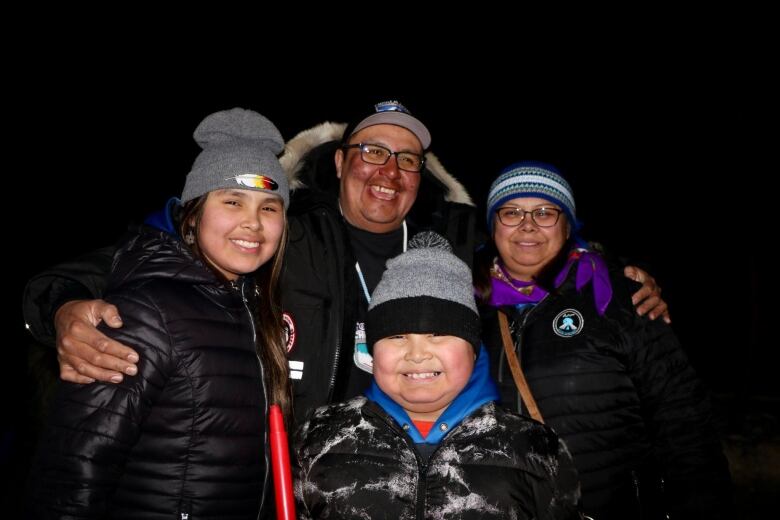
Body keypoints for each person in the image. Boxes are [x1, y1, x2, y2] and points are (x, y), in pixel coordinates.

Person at [22, 101, 667, 425]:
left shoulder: (448, 244)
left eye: (407, 159)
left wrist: (606, 267)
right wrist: (61, 307)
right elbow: (160, 246)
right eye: (372, 152)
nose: (389, 171)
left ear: (422, 178)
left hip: (399, 478)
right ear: (339, 162)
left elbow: (533, 248)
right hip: (281, 482)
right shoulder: (284, 232)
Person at [28, 108, 291, 519]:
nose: (252, 223)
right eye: (233, 201)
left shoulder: (255, 308)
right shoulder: (144, 312)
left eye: (269, 207)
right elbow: (75, 470)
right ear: (193, 212)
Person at [474, 161, 734, 520]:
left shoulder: (617, 297)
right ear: (493, 226)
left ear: (568, 226)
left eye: (546, 212)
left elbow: (684, 422)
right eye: (511, 212)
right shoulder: (465, 306)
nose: (528, 224)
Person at [295, 231, 581, 519]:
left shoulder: (536, 448)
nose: (417, 354)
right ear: (372, 350)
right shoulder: (317, 438)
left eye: (439, 334)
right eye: (396, 336)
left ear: (473, 350)